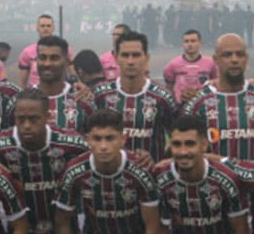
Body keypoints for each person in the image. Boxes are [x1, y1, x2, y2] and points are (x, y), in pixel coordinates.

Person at [54, 108, 169, 234]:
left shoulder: (140, 170)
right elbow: (62, 221)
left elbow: (153, 225)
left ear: (123, 139)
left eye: (110, 138)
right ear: (88, 140)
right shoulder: (74, 171)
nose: (103, 146)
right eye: (97, 138)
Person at [0, 89, 88, 234]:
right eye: (21, 119)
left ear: (47, 117)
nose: (26, 125)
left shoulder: (72, 143)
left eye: (33, 119)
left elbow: (100, 156)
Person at [153, 115, 250, 234]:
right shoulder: (161, 178)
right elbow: (162, 230)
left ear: (204, 145)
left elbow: (241, 230)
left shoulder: (227, 179)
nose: (183, 152)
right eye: (176, 144)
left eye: (190, 144)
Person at [181, 33, 254, 160]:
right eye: (227, 55)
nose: (234, 60)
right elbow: (185, 150)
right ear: (215, 59)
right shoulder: (198, 101)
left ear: (246, 58)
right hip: (212, 173)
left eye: (240, 54)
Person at [94, 31, 177, 163]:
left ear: (146, 57)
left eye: (136, 55)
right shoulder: (101, 94)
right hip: (110, 172)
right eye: (125, 55)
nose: (130, 61)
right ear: (116, 57)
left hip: (151, 174)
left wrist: (162, 161)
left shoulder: (163, 97)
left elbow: (180, 137)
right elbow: (88, 136)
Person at [35, 34, 93, 134]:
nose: (47, 63)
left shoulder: (83, 99)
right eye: (42, 57)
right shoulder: (20, 101)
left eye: (54, 58)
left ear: (66, 61)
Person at [163, 29, 218, 105]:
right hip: (180, 106)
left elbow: (217, 83)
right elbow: (168, 88)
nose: (190, 44)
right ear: (182, 44)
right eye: (186, 41)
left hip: (204, 105)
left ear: (200, 43)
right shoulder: (172, 65)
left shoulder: (211, 63)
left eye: (193, 41)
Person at [17, 13, 57, 88]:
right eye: (42, 26)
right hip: (36, 93)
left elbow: (73, 76)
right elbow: (22, 83)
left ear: (53, 28)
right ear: (37, 28)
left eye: (48, 26)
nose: (46, 28)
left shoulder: (64, 50)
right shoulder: (27, 52)